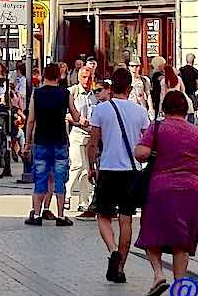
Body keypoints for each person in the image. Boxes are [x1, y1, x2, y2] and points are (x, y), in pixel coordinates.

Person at [134, 90, 198, 296]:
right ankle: (179, 287)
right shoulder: (197, 133)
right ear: (185, 109)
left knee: (152, 236)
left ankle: (159, 274)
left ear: (164, 108)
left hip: (161, 188)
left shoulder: (157, 127)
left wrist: (152, 152)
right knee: (182, 241)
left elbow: (140, 153)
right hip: (191, 189)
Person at [86, 67, 151, 284]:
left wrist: (91, 167)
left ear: (111, 88)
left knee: (103, 215)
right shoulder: (140, 112)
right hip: (132, 172)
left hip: (108, 169)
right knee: (126, 219)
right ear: (130, 88)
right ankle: (120, 267)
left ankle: (113, 249)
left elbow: (93, 142)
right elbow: (147, 143)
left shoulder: (101, 109)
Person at [24, 63, 81, 226]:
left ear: (44, 75)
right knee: (59, 179)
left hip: (41, 141)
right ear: (59, 76)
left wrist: (27, 143)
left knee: (40, 178)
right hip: (60, 141)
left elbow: (30, 120)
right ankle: (61, 215)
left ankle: (36, 215)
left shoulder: (37, 93)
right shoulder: (65, 93)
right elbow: (76, 117)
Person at [67, 65, 99, 218]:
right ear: (78, 78)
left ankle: (83, 201)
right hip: (77, 132)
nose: (87, 81)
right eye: (84, 77)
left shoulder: (94, 95)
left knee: (87, 170)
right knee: (77, 165)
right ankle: (67, 194)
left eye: (89, 77)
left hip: (91, 134)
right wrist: (78, 120)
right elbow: (65, 114)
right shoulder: (72, 92)